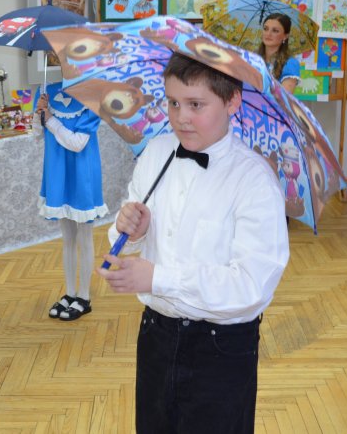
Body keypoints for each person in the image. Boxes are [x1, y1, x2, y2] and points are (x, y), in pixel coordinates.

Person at [97, 53, 289, 433]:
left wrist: (158, 278)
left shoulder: (254, 180)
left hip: (221, 347)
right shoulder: (156, 153)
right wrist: (131, 229)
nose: (180, 117)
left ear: (232, 101)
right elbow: (129, 239)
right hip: (156, 333)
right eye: (173, 102)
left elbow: (250, 286)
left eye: (195, 105)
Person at [35, 82, 108, 321]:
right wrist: (39, 113)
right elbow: (36, 134)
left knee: (85, 238)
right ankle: (70, 293)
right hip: (57, 172)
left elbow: (78, 143)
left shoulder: (92, 94)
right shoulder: (46, 91)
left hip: (82, 173)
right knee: (67, 239)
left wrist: (50, 119)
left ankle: (84, 297)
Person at [259, 12, 300, 93]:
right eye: (265, 29)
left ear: (285, 36)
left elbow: (284, 97)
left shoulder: (290, 63)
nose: (268, 34)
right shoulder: (253, 59)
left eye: (275, 31)